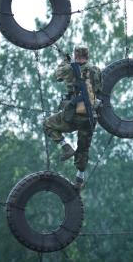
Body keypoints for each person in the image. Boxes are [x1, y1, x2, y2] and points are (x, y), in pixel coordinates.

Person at [43, 45, 102, 185]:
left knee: (47, 124)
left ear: (76, 56)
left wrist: (65, 61)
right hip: (90, 116)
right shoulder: (96, 69)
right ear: (87, 56)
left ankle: (66, 147)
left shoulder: (70, 68)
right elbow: (99, 89)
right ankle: (79, 179)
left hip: (72, 115)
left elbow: (57, 75)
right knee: (83, 147)